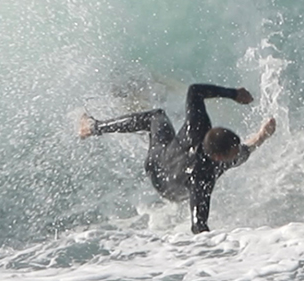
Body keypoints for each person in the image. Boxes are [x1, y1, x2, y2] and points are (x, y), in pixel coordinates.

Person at [79, 83, 276, 234]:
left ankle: (94, 127)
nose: (235, 151)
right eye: (231, 150)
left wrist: (233, 94)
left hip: (158, 159)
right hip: (166, 188)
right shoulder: (202, 178)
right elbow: (199, 227)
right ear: (217, 155)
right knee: (236, 158)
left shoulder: (198, 127)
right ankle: (261, 137)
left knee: (156, 117)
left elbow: (195, 91)